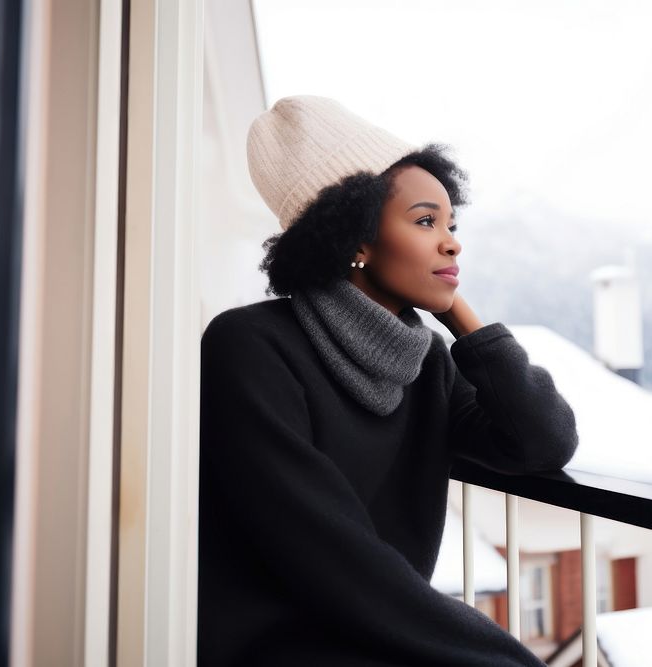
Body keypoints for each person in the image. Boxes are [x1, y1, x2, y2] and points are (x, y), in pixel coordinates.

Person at [197, 96, 579, 666]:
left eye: (451, 223)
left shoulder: (428, 364)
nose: (451, 241)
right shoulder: (248, 346)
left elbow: (543, 441)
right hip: (279, 649)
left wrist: (463, 323)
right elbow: (336, 560)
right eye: (426, 221)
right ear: (354, 237)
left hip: (381, 643)